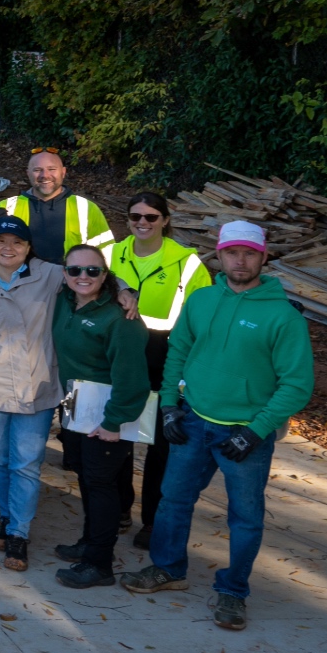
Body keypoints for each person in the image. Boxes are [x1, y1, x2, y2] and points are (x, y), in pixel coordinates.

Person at [120, 221, 315, 630]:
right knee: (172, 500)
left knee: (244, 517)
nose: (239, 260)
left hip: (244, 435)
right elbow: (178, 354)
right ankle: (168, 568)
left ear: (264, 257)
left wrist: (256, 430)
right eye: (231, 252)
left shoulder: (283, 317)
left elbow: (297, 385)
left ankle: (233, 591)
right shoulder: (202, 300)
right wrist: (170, 407)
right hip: (193, 421)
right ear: (219, 256)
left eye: (248, 253)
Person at [0, 215, 65, 572]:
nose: (8, 248)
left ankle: (18, 533)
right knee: (1, 460)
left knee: (26, 464)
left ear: (29, 247)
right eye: (1, 241)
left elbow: (92, 275)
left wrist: (124, 291)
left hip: (38, 385)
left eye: (17, 242)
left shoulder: (48, 275)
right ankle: (5, 517)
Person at [104, 190, 212, 547]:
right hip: (119, 355)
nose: (142, 223)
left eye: (151, 217)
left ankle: (152, 521)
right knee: (116, 432)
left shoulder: (187, 262)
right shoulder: (114, 253)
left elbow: (202, 318)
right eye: (135, 217)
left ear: (165, 220)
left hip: (166, 358)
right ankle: (120, 507)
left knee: (161, 444)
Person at [50, 244, 151, 588]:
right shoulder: (66, 301)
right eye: (75, 270)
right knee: (85, 480)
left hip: (107, 417)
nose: (83, 277)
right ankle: (89, 543)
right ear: (65, 275)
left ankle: (100, 563)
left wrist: (113, 423)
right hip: (76, 408)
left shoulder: (122, 321)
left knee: (102, 485)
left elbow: (134, 380)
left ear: (105, 275)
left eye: (93, 271)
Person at [1, 148, 113, 263]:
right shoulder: (7, 208)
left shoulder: (86, 208)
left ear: (63, 172)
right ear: (28, 173)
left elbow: (106, 253)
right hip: (22, 280)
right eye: (37, 170)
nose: (45, 175)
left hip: (71, 279)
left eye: (52, 169)